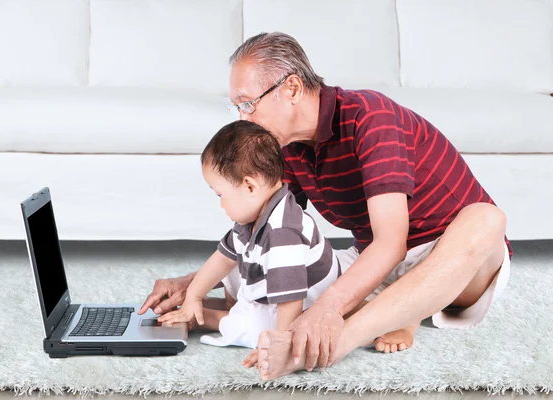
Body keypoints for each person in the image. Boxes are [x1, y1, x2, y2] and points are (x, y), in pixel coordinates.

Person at [139, 32, 512, 380]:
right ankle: (394, 311)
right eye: (238, 107)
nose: (243, 118)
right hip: (375, 262)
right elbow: (266, 234)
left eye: (248, 103)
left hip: (450, 258)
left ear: (292, 88)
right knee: (297, 276)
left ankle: (339, 341)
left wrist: (325, 311)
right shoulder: (284, 149)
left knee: (486, 218)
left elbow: (391, 242)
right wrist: (193, 287)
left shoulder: (370, 116)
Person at [156, 120, 346, 368]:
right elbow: (222, 259)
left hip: (306, 299)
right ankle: (225, 307)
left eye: (220, 195)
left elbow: (291, 302)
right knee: (234, 263)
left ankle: (209, 318)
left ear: (249, 186)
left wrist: (281, 342)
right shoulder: (253, 216)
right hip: (276, 282)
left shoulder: (283, 233)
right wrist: (193, 295)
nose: (220, 204)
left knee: (253, 327)